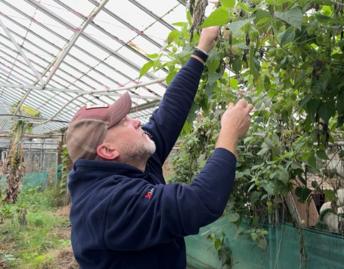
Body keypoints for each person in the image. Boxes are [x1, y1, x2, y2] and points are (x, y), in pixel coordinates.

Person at [65, 27, 253, 269]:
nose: (136, 121)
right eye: (123, 122)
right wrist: (229, 131)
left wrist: (201, 49)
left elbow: (169, 114)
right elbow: (200, 202)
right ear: (108, 151)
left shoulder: (130, 163)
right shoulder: (110, 204)